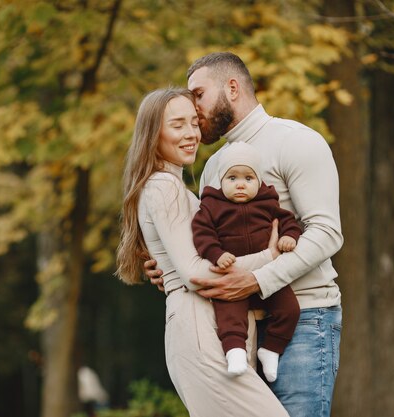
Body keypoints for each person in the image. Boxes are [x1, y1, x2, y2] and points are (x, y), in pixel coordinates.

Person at [144, 52, 344, 417]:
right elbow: (205, 247)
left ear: (232, 88)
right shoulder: (212, 170)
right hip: (239, 328)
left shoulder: (296, 141)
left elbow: (327, 233)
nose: (194, 107)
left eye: (199, 94)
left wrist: (256, 280)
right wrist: (168, 265)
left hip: (303, 320)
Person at [116, 87, 289, 416]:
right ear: (154, 133)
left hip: (212, 325)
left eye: (193, 123)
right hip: (200, 325)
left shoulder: (171, 187)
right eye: (177, 124)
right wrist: (268, 257)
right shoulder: (164, 186)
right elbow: (194, 274)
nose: (191, 133)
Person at [192, 141, 301, 383]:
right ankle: (235, 353)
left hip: (266, 278)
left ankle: (271, 350)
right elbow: (201, 234)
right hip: (231, 276)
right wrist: (216, 253)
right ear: (220, 181)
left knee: (290, 310)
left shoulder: (268, 203)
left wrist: (288, 237)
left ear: (259, 181)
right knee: (230, 318)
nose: (240, 184)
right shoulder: (211, 206)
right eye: (232, 178)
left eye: (248, 178)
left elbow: (289, 222)